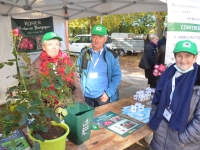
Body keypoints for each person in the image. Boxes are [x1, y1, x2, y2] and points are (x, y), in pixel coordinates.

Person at [148, 40, 200, 150]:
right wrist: (154, 120)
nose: (183, 60)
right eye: (179, 56)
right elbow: (156, 101)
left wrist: (184, 139)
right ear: (175, 57)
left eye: (188, 56)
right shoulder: (168, 74)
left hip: (182, 144)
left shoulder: (198, 81)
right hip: (160, 138)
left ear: (195, 58)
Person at [30, 31, 84, 103]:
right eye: (50, 44)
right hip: (48, 106)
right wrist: (40, 108)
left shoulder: (68, 61)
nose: (54, 47)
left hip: (67, 103)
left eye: (57, 44)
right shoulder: (36, 64)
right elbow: (34, 87)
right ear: (43, 47)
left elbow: (76, 84)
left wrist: (80, 104)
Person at [77, 24, 122, 107]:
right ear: (91, 37)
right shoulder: (84, 52)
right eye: (94, 36)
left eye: (100, 37)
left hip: (103, 97)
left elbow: (117, 76)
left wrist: (108, 93)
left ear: (105, 39)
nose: (96, 40)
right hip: (86, 97)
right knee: (88, 119)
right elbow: (77, 72)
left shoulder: (111, 55)